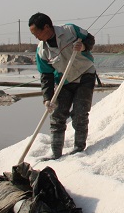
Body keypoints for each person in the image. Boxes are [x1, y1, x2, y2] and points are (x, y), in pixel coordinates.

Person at [28, 12, 96, 159]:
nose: (36, 37)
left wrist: (84, 46)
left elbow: (90, 39)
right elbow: (46, 76)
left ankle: (79, 149)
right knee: (57, 115)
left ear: (46, 27)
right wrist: (47, 98)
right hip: (64, 81)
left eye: (37, 33)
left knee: (80, 113)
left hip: (85, 75)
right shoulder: (42, 50)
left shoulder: (70, 30)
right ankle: (56, 153)